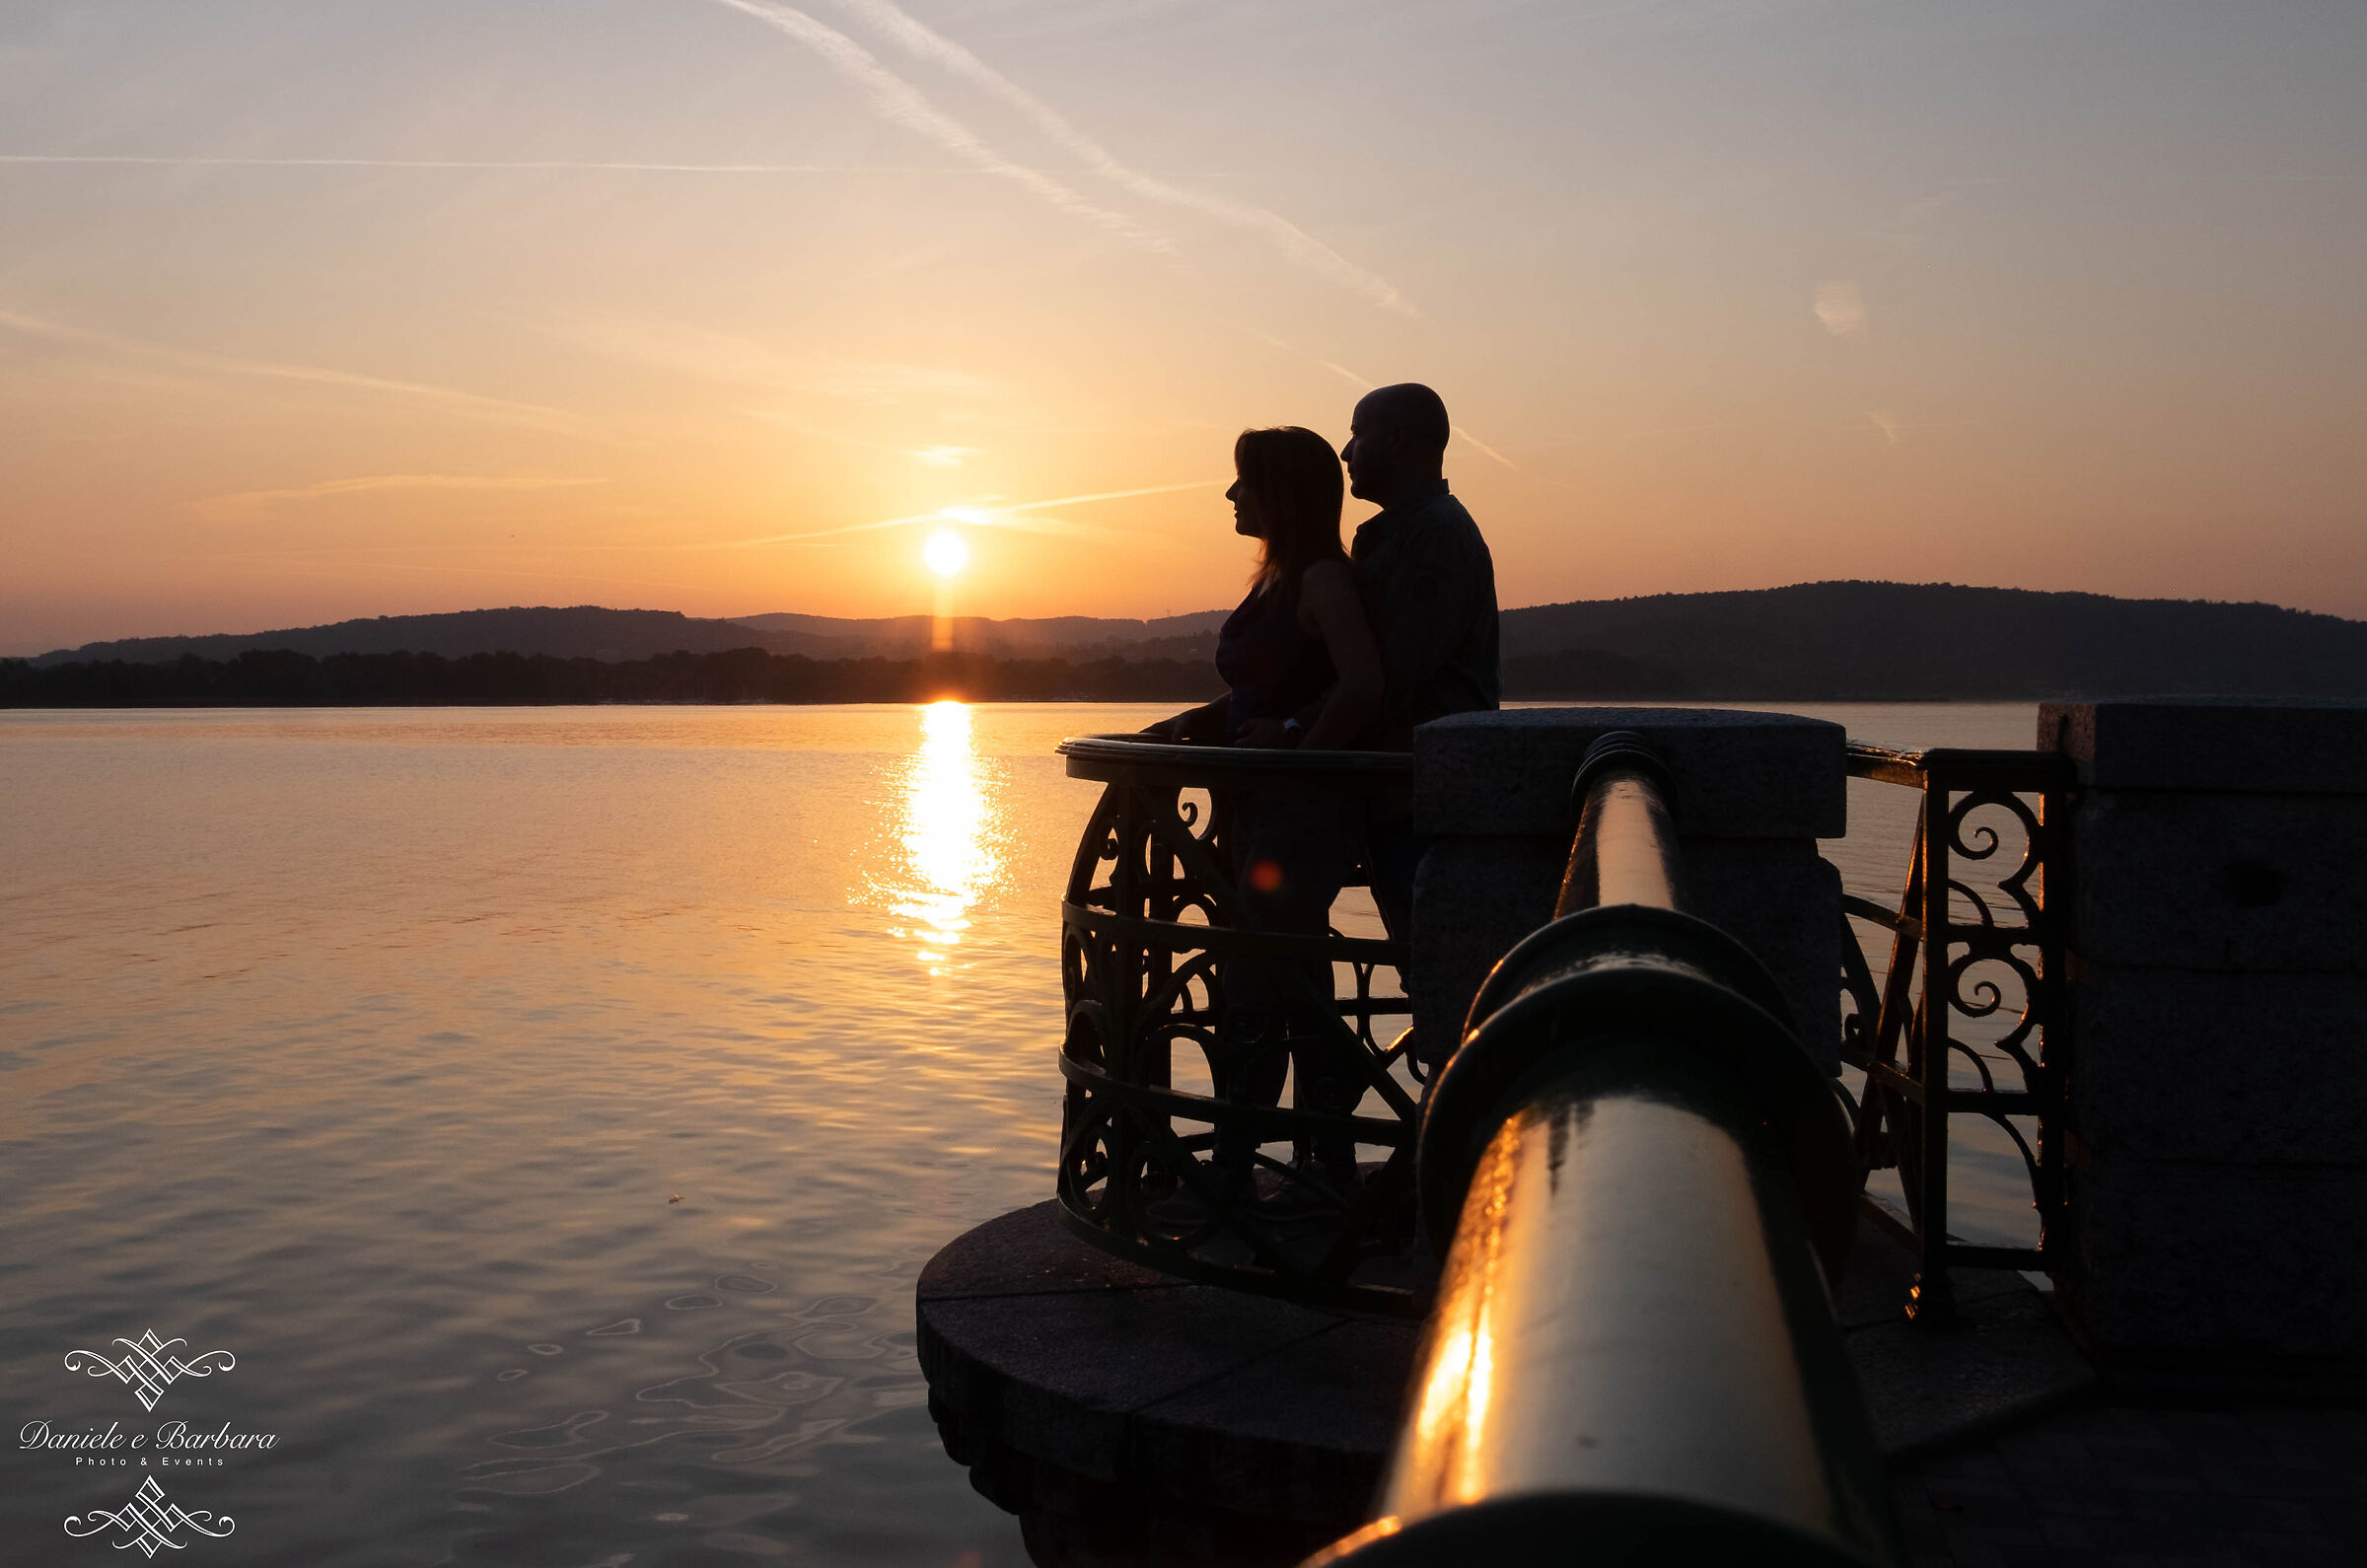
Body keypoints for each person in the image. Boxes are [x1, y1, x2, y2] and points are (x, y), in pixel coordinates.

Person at [1143, 426, 1383, 1211]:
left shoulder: (1321, 579)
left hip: (1299, 817)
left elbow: (1363, 686)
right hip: (1262, 812)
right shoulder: (1281, 578)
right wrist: (1196, 721)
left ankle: (1244, 1161)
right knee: (1290, 975)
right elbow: (1264, 691)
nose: (1230, 494)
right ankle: (1323, 1157)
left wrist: (1293, 748)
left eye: (1243, 481)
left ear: (1280, 494)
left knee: (1258, 978)